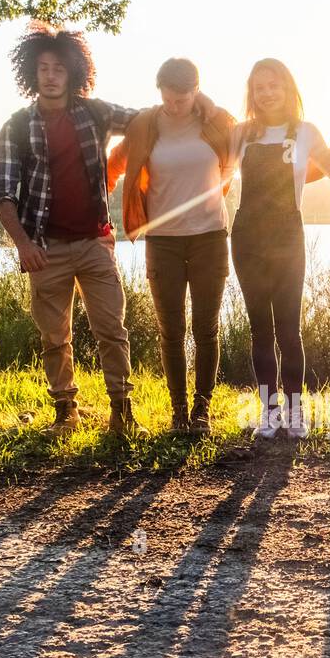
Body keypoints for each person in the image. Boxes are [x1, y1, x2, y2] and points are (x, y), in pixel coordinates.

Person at [0, 22, 141, 436]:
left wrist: (196, 107)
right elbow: (2, 193)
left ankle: (121, 412)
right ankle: (66, 413)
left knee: (112, 329)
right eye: (43, 68)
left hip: (95, 241)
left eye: (58, 68)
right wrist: (22, 245)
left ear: (73, 71)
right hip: (45, 247)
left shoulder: (95, 112)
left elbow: (147, 121)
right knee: (54, 337)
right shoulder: (17, 126)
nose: (51, 75)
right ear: (32, 73)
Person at [107, 59, 234, 436]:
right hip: (162, 241)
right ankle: (179, 411)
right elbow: (111, 167)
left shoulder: (217, 121)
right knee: (171, 330)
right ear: (158, 90)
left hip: (210, 236)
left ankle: (202, 410)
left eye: (183, 98)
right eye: (168, 97)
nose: (175, 105)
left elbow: (234, 162)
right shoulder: (145, 124)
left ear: (196, 90)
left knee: (206, 328)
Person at [230, 59, 330, 441]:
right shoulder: (240, 133)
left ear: (288, 88)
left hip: (287, 236)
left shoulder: (307, 132)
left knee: (288, 329)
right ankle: (269, 414)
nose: (266, 93)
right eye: (258, 87)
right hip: (247, 237)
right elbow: (213, 179)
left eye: (273, 85)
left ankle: (295, 413)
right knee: (259, 330)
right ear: (251, 93)